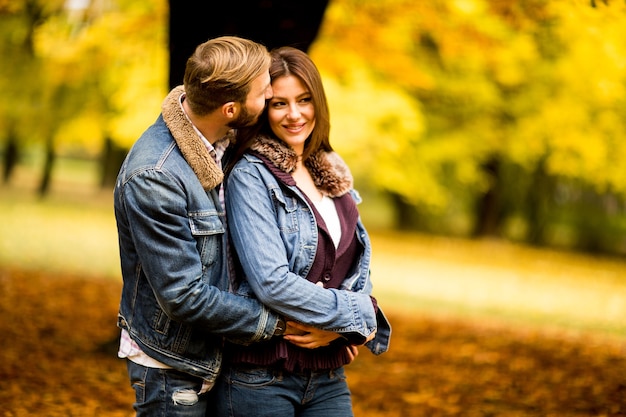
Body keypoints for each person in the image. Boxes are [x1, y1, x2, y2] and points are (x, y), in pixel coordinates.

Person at [114, 36, 381, 417]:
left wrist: (341, 326)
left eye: (304, 99)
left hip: (265, 357)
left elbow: (349, 259)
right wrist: (323, 321)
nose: (284, 105)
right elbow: (185, 294)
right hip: (175, 361)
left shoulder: (223, 141)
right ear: (230, 109)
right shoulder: (156, 174)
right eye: (269, 97)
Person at [215, 46, 391, 417]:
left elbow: (355, 268)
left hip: (328, 377)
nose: (294, 114)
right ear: (263, 109)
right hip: (260, 377)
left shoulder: (331, 170)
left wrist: (342, 328)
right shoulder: (251, 175)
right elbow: (272, 282)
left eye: (305, 100)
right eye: (279, 104)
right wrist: (356, 316)